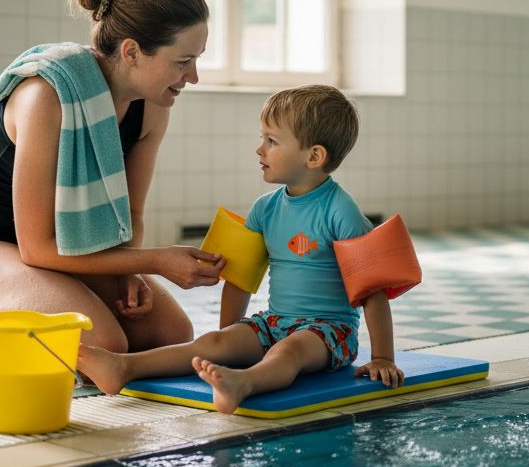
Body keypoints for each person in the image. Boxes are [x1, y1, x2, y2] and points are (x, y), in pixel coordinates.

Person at [0, 0, 225, 356]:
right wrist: (157, 261)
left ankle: (17, 306)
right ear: (131, 52)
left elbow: (129, 212)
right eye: (183, 61)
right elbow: (36, 250)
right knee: (103, 344)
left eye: (196, 60)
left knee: (170, 333)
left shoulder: (152, 106)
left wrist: (129, 269)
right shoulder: (45, 97)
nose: (193, 77)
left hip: (60, 252)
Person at [78, 84, 400, 414]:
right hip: (275, 320)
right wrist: (229, 338)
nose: (259, 150)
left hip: (329, 331)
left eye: (272, 141)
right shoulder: (265, 209)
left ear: (314, 156)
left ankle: (241, 384)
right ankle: (123, 367)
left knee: (288, 352)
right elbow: (240, 279)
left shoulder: (341, 211)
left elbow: (372, 291)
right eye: (263, 138)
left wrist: (382, 358)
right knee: (210, 344)